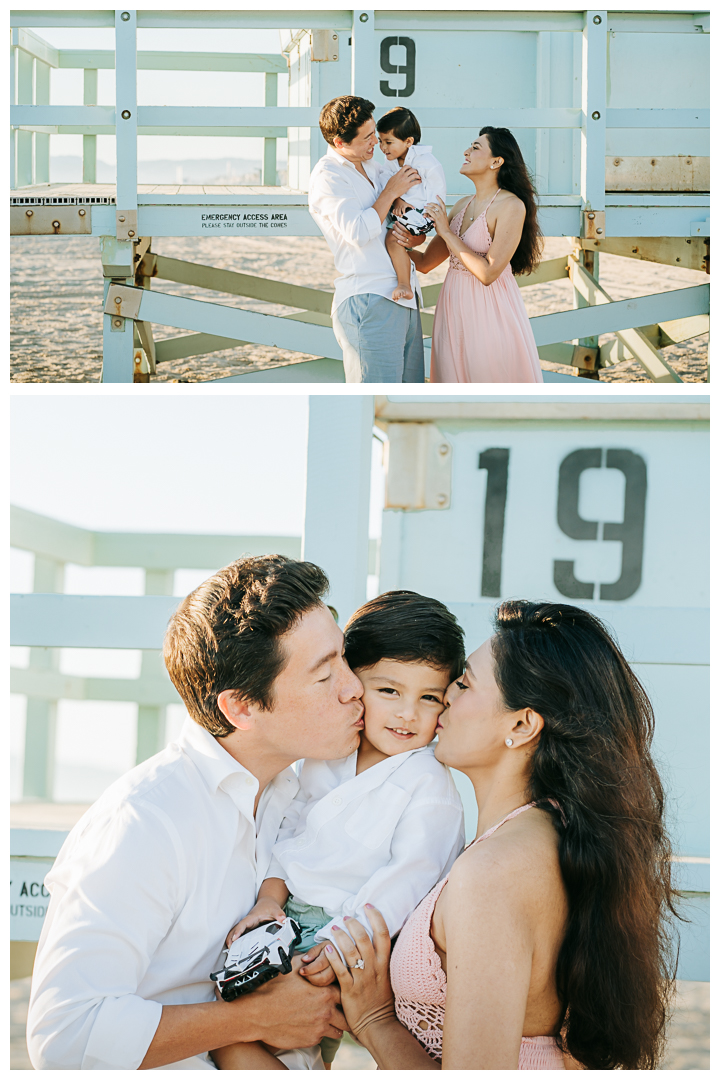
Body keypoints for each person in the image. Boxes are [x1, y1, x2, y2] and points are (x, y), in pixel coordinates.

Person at [26, 556, 362, 1071]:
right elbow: (65, 1035)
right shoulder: (144, 821)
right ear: (242, 708)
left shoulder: (296, 797)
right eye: (324, 675)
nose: (353, 687)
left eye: (343, 657)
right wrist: (253, 1019)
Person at [321, 601, 680, 1070]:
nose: (446, 695)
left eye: (465, 683)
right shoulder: (551, 837)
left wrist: (374, 1018)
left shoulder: (495, 872)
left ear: (521, 724)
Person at [210, 591, 466, 1070]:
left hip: (353, 940)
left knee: (267, 1040)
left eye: (428, 698)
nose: (408, 713)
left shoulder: (428, 785)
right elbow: (288, 832)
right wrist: (269, 898)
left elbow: (407, 879)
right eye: (389, 691)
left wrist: (337, 946)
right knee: (233, 1031)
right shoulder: (328, 754)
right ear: (352, 681)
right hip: (286, 917)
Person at [395, 127, 544, 383]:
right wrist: (396, 238)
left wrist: (445, 229)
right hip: (453, 307)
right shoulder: (461, 205)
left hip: (491, 309)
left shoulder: (511, 206)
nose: (466, 152)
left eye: (475, 148)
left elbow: (488, 273)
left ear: (496, 161)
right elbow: (425, 263)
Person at [308, 96, 426, 383]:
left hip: (404, 296)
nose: (376, 142)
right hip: (370, 297)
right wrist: (391, 191)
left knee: (406, 405)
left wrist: (414, 233)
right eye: (366, 138)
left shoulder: (372, 165)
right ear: (339, 143)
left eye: (374, 132)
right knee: (374, 405)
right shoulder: (328, 176)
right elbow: (357, 232)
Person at [376, 107, 447, 301]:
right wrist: (396, 199)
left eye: (388, 142)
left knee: (392, 239)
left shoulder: (426, 162)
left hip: (422, 214)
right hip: (399, 213)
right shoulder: (390, 162)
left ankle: (404, 284)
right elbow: (386, 185)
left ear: (408, 141)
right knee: (394, 242)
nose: (383, 147)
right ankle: (404, 281)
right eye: (381, 141)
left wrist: (426, 216)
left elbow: (437, 193)